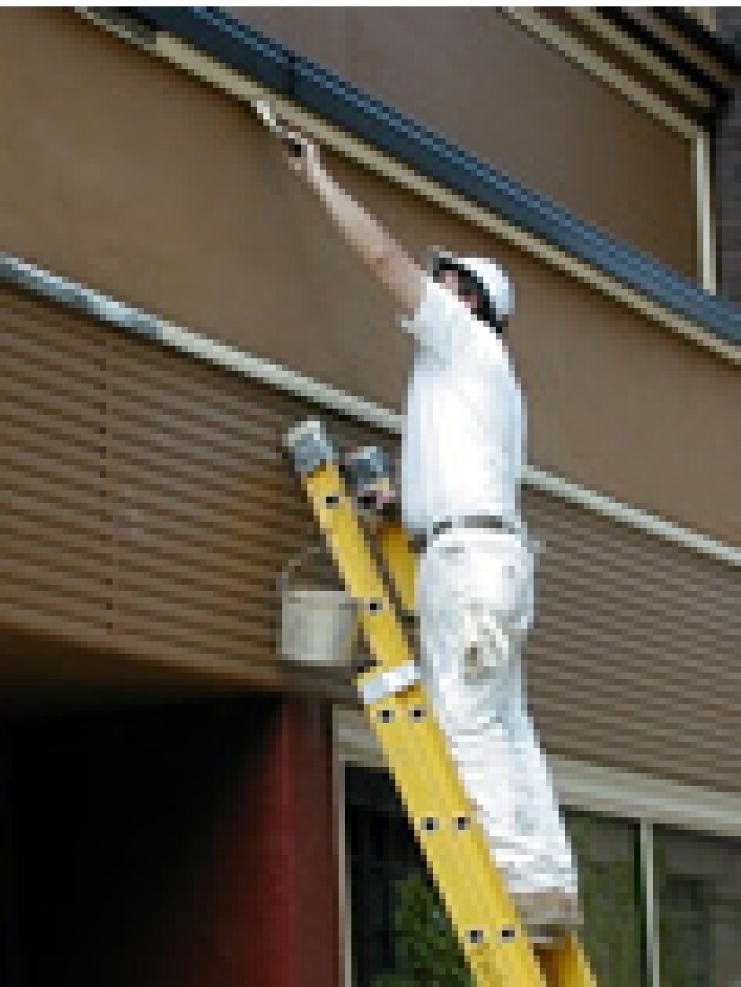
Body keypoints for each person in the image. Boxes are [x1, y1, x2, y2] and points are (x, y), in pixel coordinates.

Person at [274, 122, 581, 941]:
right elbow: (458, 470)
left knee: (468, 721)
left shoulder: (466, 338)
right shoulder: (476, 381)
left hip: (467, 560)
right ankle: (547, 880)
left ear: (472, 298)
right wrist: (396, 503)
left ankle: (513, 886)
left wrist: (320, 181)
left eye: (445, 279)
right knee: (507, 722)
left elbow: (382, 261)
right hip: (494, 555)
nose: (428, 286)